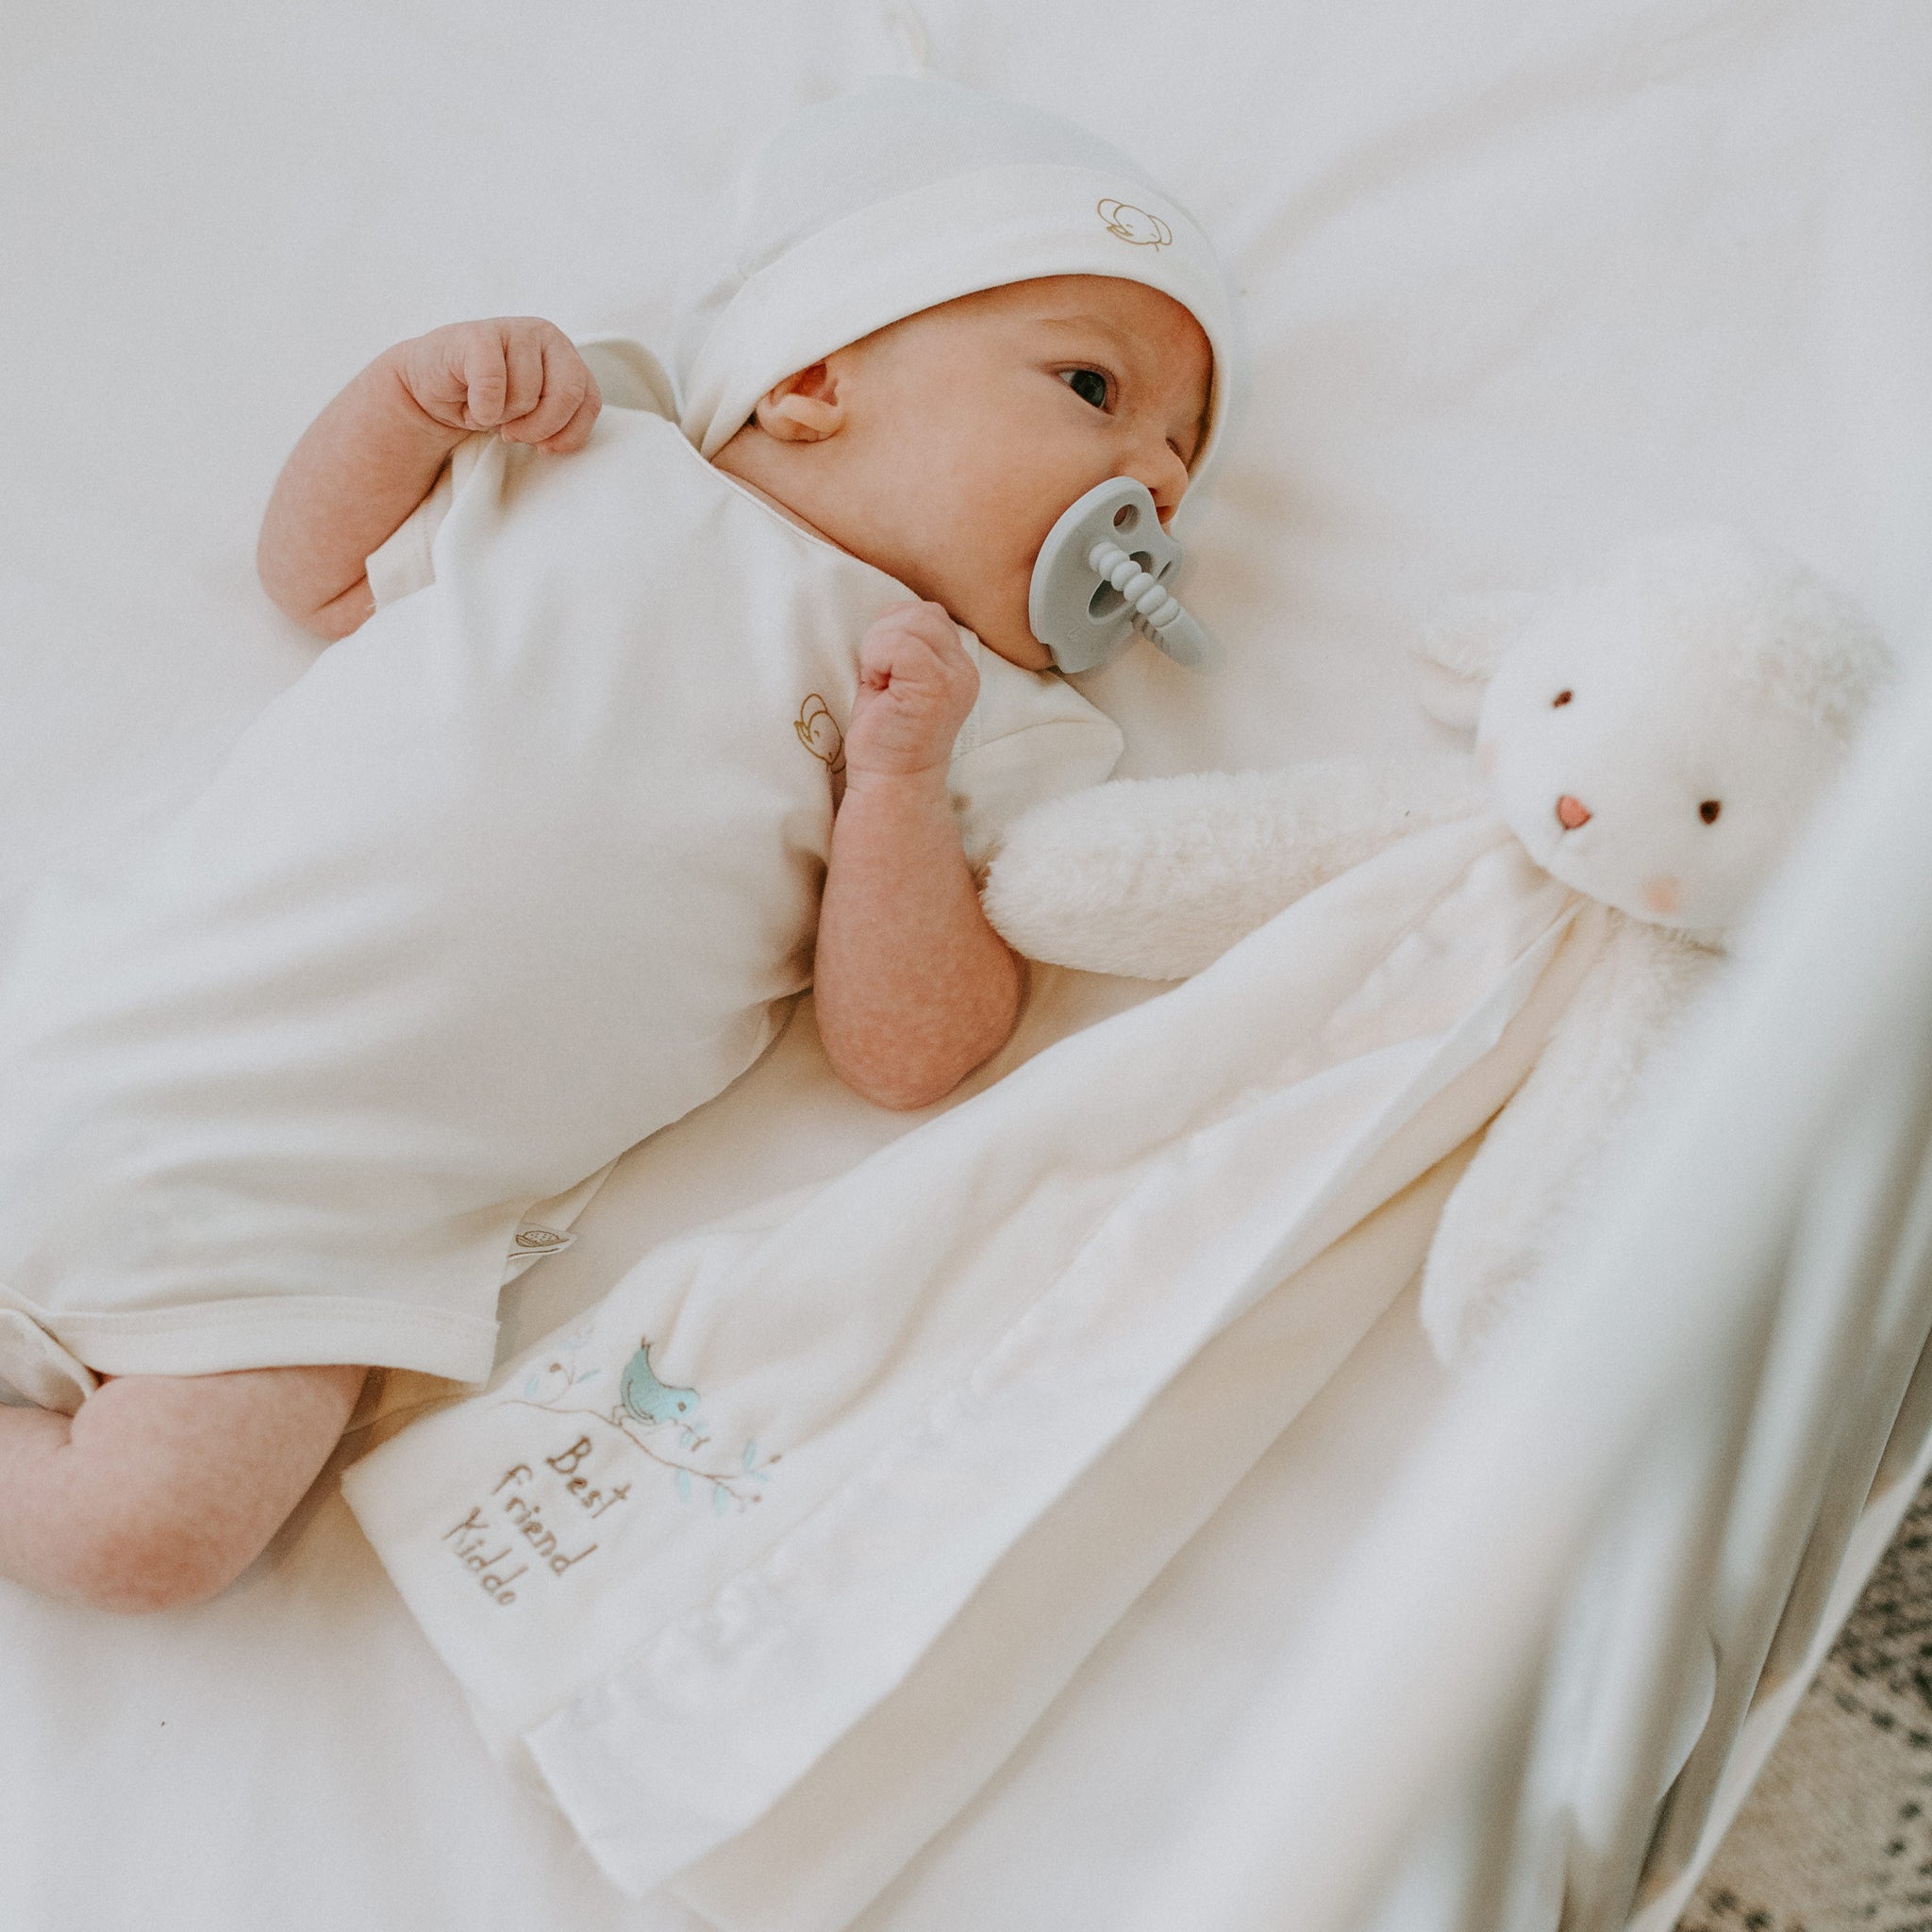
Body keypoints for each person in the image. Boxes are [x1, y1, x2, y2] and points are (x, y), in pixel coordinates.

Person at [0, 77, 1235, 1612]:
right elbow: (310, 581)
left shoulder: (1001, 722)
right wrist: (405, 403)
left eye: (1191, 454)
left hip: (312, 1230)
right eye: (1097, 393)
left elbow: (912, 1051)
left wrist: (898, 783)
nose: (1163, 482)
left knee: (152, 1534)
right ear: (812, 381)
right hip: (103, 1004)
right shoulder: (599, 457)